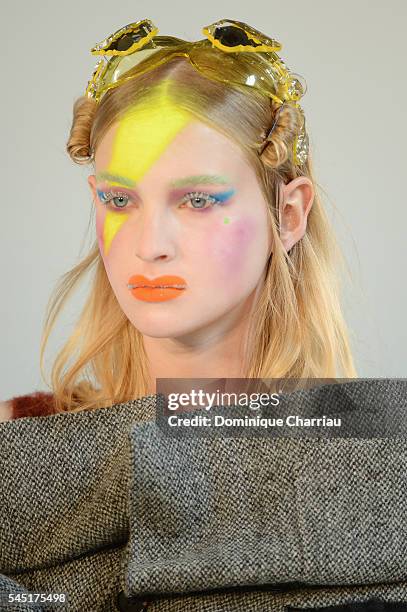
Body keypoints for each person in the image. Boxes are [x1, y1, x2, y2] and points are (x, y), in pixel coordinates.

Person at [0, 18, 357, 422]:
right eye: (119, 199)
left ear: (288, 215)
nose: (151, 247)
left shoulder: (371, 455)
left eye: (199, 200)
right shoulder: (19, 436)